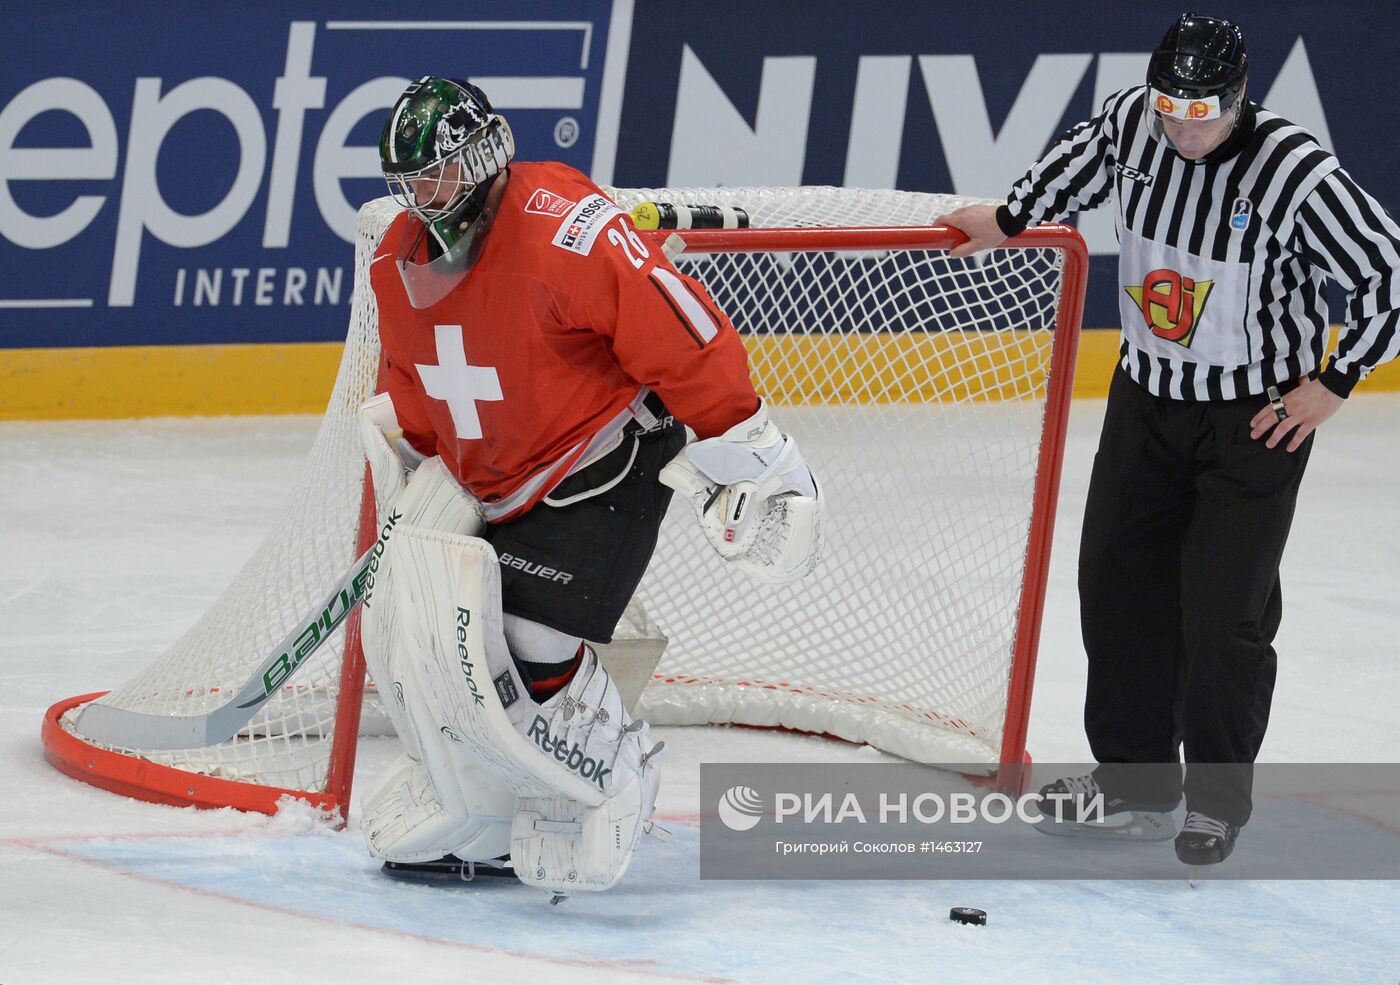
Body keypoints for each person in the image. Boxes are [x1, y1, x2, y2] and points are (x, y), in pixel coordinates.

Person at [942, 13, 1400, 865]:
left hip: (1255, 422)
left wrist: (1333, 382)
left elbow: (1389, 271)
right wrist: (1009, 218)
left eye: (1204, 111)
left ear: (1239, 98)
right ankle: (1135, 785)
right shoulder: (1131, 125)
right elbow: (1070, 167)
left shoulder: (1293, 170)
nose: (1184, 126)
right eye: (1170, 107)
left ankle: (1219, 800)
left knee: (1223, 614)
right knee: (1116, 587)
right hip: (1146, 403)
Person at [355, 76, 824, 896]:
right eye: (413, 181)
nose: (428, 197)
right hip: (499, 476)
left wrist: (743, 439)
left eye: (441, 173)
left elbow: (674, 320)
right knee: (426, 636)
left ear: (487, 155)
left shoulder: (559, 223)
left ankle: (618, 766)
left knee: (527, 644)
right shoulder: (398, 257)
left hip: (606, 455)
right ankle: (484, 811)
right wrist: (419, 450)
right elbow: (414, 369)